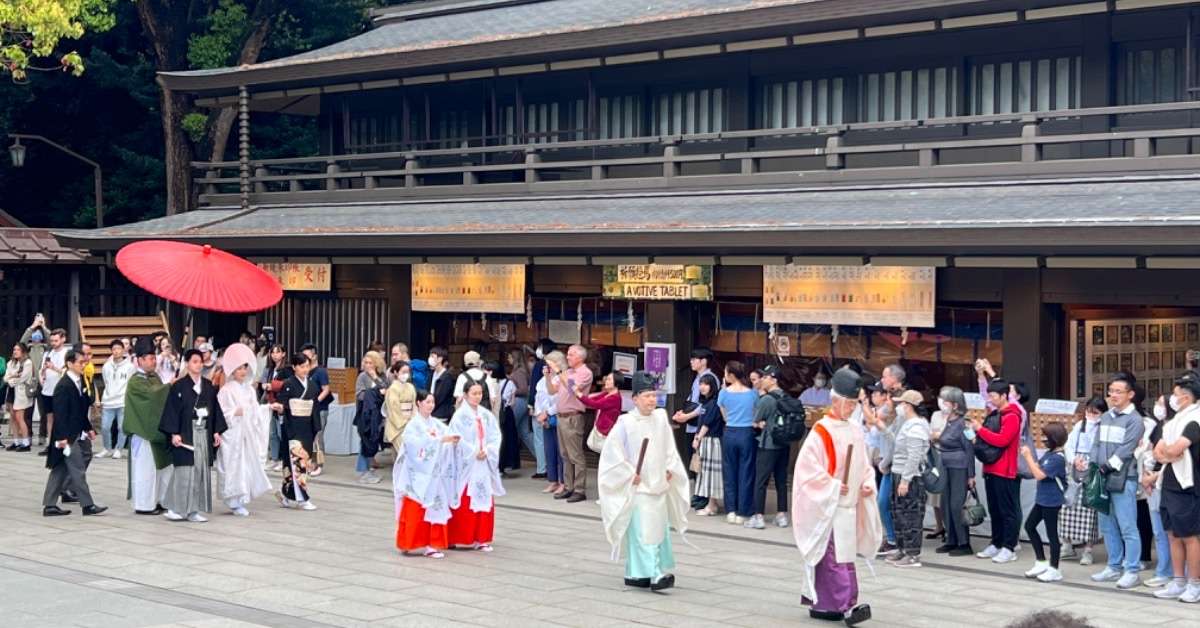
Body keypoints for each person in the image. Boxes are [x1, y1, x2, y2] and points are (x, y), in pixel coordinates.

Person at [792, 366, 879, 625]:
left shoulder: (854, 430)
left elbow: (864, 465)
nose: (851, 408)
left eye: (854, 404)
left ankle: (830, 603)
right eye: (848, 403)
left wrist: (866, 482)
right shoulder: (821, 430)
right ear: (836, 400)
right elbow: (807, 469)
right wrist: (830, 486)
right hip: (829, 505)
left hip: (847, 504)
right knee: (833, 556)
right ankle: (845, 605)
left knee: (844, 556)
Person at [598, 370, 690, 591]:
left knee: (657, 529)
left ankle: (636, 573)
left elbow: (669, 448)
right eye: (647, 396)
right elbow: (612, 454)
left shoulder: (660, 418)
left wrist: (671, 468)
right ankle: (655, 573)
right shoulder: (625, 422)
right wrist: (629, 473)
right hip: (638, 486)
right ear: (635, 398)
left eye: (654, 395)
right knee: (643, 531)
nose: (652, 400)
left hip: (658, 483)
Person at [1084, 373, 1145, 589]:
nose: (1113, 395)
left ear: (1130, 394)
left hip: (1123, 478)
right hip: (1101, 476)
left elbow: (1126, 450)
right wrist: (1092, 464)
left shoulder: (1135, 420)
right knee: (1107, 525)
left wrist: (1107, 466)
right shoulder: (1107, 416)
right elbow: (1097, 444)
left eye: (1118, 391)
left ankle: (1132, 569)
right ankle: (1113, 565)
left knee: (1128, 526)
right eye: (1111, 391)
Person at [160, 349, 227, 523]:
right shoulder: (179, 386)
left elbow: (215, 411)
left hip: (202, 433)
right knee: (183, 472)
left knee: (199, 473)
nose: (198, 364)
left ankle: (193, 510)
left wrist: (216, 431)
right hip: (184, 433)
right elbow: (172, 411)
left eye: (200, 361)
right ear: (188, 364)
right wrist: (174, 433)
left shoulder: (208, 386)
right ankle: (177, 508)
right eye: (194, 361)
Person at [41, 349, 107, 517]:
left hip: (75, 431)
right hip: (66, 435)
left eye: (84, 362)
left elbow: (80, 409)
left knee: (60, 469)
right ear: (70, 364)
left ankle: (49, 505)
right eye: (80, 363)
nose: (83, 365)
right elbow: (60, 414)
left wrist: (88, 428)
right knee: (78, 468)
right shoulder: (63, 385)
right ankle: (88, 505)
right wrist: (63, 438)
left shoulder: (80, 382)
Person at [395, 390, 460, 559]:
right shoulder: (413, 425)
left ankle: (433, 544)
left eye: (432, 402)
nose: (430, 405)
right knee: (415, 508)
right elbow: (413, 445)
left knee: (435, 507)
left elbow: (447, 434)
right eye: (427, 402)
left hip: (434, 475)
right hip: (417, 474)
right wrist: (438, 441)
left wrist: (452, 440)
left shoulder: (436, 424)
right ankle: (408, 542)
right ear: (419, 403)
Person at [1152, 377, 1200, 601]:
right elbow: (1159, 452)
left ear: (1187, 397)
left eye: (1175, 393)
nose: (1171, 398)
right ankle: (1178, 580)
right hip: (1168, 482)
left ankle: (1194, 583)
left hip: (1187, 485)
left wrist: (1169, 453)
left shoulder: (1194, 419)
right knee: (1172, 534)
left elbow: (1177, 449)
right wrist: (1168, 453)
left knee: (1190, 536)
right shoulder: (1172, 422)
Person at [447, 379, 504, 551]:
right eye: (474, 393)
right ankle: (459, 536)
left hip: (483, 461)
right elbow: (456, 439)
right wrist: (473, 452)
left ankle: (482, 538)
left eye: (480, 393)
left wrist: (487, 450)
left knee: (483, 497)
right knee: (465, 499)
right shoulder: (459, 416)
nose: (478, 397)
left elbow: (495, 436)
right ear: (465, 395)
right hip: (467, 464)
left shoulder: (486, 415)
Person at [970, 378, 1023, 564]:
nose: (990, 399)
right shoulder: (996, 413)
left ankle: (1009, 547)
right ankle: (996, 543)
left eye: (993, 396)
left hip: (1005, 470)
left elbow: (1002, 440)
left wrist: (979, 430)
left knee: (1007, 510)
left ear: (1003, 395)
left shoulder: (1012, 416)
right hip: (991, 467)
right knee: (994, 509)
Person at [215, 345, 271, 517]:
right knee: (232, 466)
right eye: (239, 368)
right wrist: (233, 412)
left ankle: (242, 498)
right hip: (232, 435)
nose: (242, 371)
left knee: (245, 466)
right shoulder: (226, 390)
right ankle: (233, 500)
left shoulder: (249, 390)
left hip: (246, 433)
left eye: (244, 367)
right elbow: (220, 413)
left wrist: (267, 407)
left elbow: (255, 410)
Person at [124, 338, 172, 515]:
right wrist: (168, 387)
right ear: (140, 360)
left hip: (156, 431)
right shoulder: (135, 381)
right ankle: (144, 504)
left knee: (160, 470)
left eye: (154, 357)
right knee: (145, 471)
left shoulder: (154, 377)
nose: (153, 361)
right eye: (150, 358)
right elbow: (152, 397)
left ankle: (159, 499)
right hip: (142, 431)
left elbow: (161, 396)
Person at [884, 389, 930, 568]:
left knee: (910, 514)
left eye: (902, 403)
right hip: (898, 472)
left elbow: (914, 456)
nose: (899, 407)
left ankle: (912, 554)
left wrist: (905, 480)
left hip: (910, 477)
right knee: (899, 513)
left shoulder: (917, 426)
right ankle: (902, 549)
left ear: (909, 406)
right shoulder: (906, 423)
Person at [1020, 422, 1069, 583]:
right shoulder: (1049, 454)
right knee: (1030, 526)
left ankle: (1054, 569)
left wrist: (1027, 457)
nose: (1043, 439)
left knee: (1052, 534)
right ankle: (1041, 561)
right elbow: (1038, 467)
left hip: (1052, 500)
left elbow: (1039, 475)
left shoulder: (1058, 458)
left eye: (1046, 436)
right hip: (1042, 499)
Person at [272, 353, 320, 511]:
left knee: (301, 463)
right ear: (294, 367)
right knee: (296, 464)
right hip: (292, 427)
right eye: (301, 366)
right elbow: (282, 403)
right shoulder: (288, 384)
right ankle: (302, 498)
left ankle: (286, 495)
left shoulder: (312, 386)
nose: (305, 369)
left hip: (306, 427)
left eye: (307, 366)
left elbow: (315, 409)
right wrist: (280, 407)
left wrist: (316, 429)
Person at [1060, 396, 1105, 566]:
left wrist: (1091, 463)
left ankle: (1088, 549)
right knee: (1068, 506)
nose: (1091, 415)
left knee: (1089, 510)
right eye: (1089, 411)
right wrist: (1073, 460)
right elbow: (1068, 446)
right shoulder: (1080, 425)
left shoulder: (1103, 428)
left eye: (1095, 412)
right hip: (1075, 467)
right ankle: (1067, 543)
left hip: (1093, 468)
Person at [547, 344, 593, 503]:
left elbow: (574, 389)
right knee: (565, 455)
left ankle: (580, 489)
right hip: (561, 416)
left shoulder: (585, 373)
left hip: (573, 417)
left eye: (571, 355)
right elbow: (552, 391)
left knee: (576, 455)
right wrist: (548, 375)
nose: (568, 357)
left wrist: (559, 372)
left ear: (580, 357)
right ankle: (568, 486)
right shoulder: (567, 372)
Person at [748, 364, 792, 530]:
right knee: (781, 481)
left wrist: (761, 423)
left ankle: (758, 516)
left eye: (765, 377)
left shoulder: (766, 399)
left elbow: (755, 421)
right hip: (784, 445)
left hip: (768, 445)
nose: (763, 380)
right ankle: (782, 515)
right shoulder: (786, 397)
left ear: (773, 380)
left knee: (761, 480)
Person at [934, 386, 975, 556]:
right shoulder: (948, 421)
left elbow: (970, 449)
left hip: (959, 466)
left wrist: (971, 474)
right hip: (945, 465)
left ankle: (964, 542)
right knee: (945, 504)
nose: (942, 404)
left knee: (957, 505)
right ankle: (951, 539)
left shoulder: (964, 423)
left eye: (946, 401)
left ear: (955, 405)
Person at [718, 361, 758, 525]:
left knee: (729, 472)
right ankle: (743, 511)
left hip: (730, 432)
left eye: (726, 373)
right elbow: (756, 413)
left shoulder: (724, 393)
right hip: (747, 433)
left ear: (731, 375)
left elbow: (724, 416)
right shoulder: (752, 393)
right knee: (746, 472)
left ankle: (731, 511)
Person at [691, 373, 724, 516]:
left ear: (712, 386)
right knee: (707, 473)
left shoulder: (714, 403)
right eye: (701, 384)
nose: (702, 387)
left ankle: (711, 506)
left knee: (710, 474)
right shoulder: (705, 403)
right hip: (706, 441)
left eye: (706, 384)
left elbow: (707, 424)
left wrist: (697, 438)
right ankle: (713, 503)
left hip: (711, 441)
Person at [98, 338, 135, 459]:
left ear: (123, 350)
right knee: (105, 426)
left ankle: (119, 448)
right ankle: (107, 448)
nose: (116, 351)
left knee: (121, 427)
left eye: (119, 348)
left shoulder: (129, 366)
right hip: (108, 400)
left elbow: (131, 382)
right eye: (114, 349)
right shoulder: (107, 366)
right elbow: (105, 380)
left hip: (122, 401)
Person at [355, 351, 388, 484]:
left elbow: (386, 389)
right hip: (365, 413)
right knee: (365, 441)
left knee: (374, 439)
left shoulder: (382, 376)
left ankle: (369, 468)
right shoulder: (362, 377)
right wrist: (375, 393)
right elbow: (359, 395)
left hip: (379, 413)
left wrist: (375, 377)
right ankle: (363, 470)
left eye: (371, 363)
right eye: (366, 362)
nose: (368, 365)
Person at [507, 349, 542, 478]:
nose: (508, 359)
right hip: (523, 402)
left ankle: (510, 460)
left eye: (510, 357)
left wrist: (510, 390)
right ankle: (541, 459)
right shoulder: (522, 371)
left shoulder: (519, 372)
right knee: (525, 433)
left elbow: (522, 389)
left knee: (509, 430)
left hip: (519, 402)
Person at [300, 343, 332, 476]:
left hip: (320, 409)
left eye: (307, 355)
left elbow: (326, 389)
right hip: (306, 409)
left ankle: (319, 464)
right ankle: (309, 463)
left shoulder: (320, 371)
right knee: (308, 437)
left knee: (318, 436)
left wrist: (316, 401)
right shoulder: (304, 371)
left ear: (314, 356)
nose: (305, 358)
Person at [37, 327, 70, 455]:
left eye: (56, 340)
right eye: (51, 341)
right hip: (47, 389)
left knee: (60, 418)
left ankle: (62, 443)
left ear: (63, 339)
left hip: (60, 390)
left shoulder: (67, 354)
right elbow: (41, 370)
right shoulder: (48, 353)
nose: (53, 343)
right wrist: (43, 372)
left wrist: (54, 368)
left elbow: (66, 372)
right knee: (49, 418)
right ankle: (50, 443)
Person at [536, 351, 564, 496]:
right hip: (545, 418)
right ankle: (552, 480)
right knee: (549, 450)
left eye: (550, 364)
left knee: (561, 452)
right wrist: (539, 414)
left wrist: (547, 413)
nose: (547, 367)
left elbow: (560, 401)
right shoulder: (542, 381)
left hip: (557, 417)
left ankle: (562, 481)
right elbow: (538, 399)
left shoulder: (563, 379)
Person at [488, 360, 521, 476]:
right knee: (506, 439)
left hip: (495, 413)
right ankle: (505, 465)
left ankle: (496, 466)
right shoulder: (509, 383)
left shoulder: (489, 383)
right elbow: (512, 402)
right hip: (506, 413)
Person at [261, 345, 291, 472]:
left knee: (281, 432)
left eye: (278, 352)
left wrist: (271, 385)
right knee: (272, 433)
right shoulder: (270, 369)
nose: (275, 355)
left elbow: (287, 384)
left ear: (283, 354)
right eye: (272, 352)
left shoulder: (287, 369)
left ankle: (283, 459)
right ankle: (274, 458)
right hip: (271, 402)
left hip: (281, 403)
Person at [4, 343, 34, 451]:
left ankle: (26, 443)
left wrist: (11, 379)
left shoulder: (27, 363)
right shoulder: (11, 363)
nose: (15, 351)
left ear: (23, 351)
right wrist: (13, 376)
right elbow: (5, 378)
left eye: (18, 349)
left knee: (20, 418)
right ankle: (16, 442)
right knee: (13, 417)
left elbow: (23, 378)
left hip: (21, 392)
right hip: (11, 391)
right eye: (14, 349)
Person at [579, 370, 623, 442]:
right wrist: (580, 395)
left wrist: (579, 395)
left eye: (609, 379)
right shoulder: (607, 394)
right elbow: (592, 399)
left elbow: (595, 404)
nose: (606, 381)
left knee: (602, 450)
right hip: (601, 428)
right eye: (606, 379)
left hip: (606, 431)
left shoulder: (615, 398)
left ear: (616, 383)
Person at [384, 360, 416, 452]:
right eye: (403, 372)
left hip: (410, 422)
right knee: (403, 453)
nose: (406, 374)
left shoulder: (411, 387)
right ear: (396, 372)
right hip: (397, 425)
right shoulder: (393, 389)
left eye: (408, 372)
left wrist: (413, 420)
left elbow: (414, 406)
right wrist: (404, 423)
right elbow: (394, 410)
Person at [428, 346, 455, 421]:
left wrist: (430, 406)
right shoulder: (431, 374)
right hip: (431, 413)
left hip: (441, 415)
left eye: (432, 356)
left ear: (440, 359)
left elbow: (440, 397)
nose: (430, 358)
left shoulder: (447, 377)